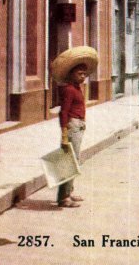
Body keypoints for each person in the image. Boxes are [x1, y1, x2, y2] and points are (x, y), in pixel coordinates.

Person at [51, 46, 98, 209]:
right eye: (79, 74)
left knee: (74, 160)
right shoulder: (69, 90)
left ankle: (69, 192)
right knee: (68, 161)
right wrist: (64, 134)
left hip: (78, 125)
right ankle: (63, 198)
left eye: (84, 74)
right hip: (71, 126)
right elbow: (63, 113)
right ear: (71, 74)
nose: (83, 76)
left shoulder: (76, 88)